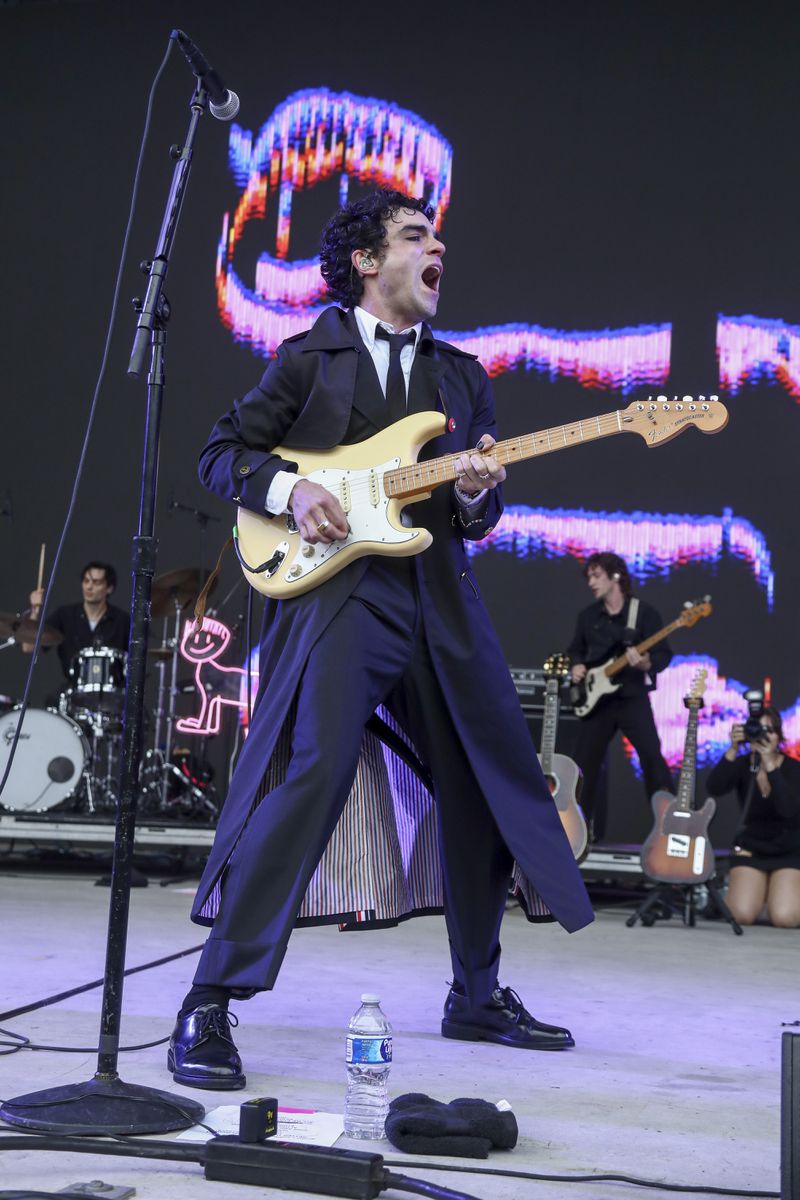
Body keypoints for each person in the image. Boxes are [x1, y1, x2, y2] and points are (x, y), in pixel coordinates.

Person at [167, 188, 594, 1090]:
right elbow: (221, 452)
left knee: (482, 785)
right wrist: (289, 492)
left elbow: (477, 514)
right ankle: (211, 999)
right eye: (415, 236)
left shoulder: (462, 376)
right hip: (340, 599)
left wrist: (478, 493)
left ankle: (476, 994)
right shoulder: (309, 357)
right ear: (366, 261)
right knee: (311, 771)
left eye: (438, 235)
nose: (438, 248)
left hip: (437, 598)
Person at [567, 552, 674, 842]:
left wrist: (645, 663)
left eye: (596, 575)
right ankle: (577, 835)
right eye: (589, 576)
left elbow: (663, 654)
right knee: (583, 768)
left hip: (632, 697)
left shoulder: (644, 613)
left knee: (653, 759)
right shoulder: (587, 616)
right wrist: (576, 665)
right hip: (598, 702)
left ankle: (668, 831)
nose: (590, 582)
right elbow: (575, 649)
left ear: (615, 576)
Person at [706, 709, 800, 927]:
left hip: (789, 850)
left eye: (770, 730)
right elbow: (714, 787)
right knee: (740, 915)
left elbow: (788, 810)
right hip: (752, 848)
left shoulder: (794, 768)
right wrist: (733, 748)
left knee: (785, 918)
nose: (764, 736)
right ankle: (763, 894)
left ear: (779, 735)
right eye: (758, 730)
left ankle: (782, 894)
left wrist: (769, 764)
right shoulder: (743, 764)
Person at [25, 561, 130, 682]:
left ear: (109, 588)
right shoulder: (64, 615)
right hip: (73, 690)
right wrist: (34, 610)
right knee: (51, 699)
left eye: (96, 582)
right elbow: (28, 646)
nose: (89, 587)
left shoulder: (122, 620)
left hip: (112, 692)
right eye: (86, 581)